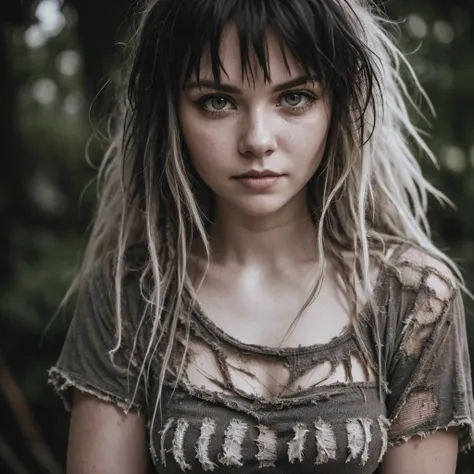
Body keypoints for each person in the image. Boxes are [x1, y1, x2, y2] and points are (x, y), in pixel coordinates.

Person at [48, 0, 474, 473]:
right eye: (217, 101)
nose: (257, 139)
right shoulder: (129, 296)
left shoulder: (413, 299)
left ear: (339, 103)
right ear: (171, 112)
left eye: (293, 98)